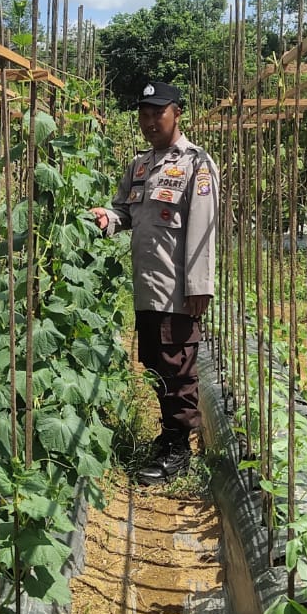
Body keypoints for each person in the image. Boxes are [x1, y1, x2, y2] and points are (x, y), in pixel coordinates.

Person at [90, 80, 219, 485]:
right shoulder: (141, 164)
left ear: (177, 113)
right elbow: (124, 210)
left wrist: (199, 286)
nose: (149, 122)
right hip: (147, 286)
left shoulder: (197, 164)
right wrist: (107, 218)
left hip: (177, 289)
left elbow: (202, 230)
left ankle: (179, 453)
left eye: (157, 114)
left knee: (179, 370)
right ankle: (168, 440)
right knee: (158, 366)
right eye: (144, 114)